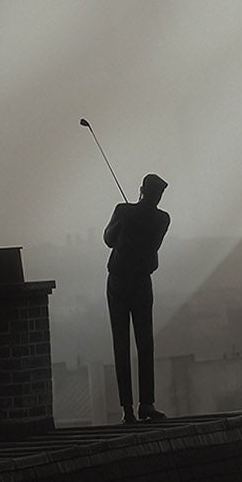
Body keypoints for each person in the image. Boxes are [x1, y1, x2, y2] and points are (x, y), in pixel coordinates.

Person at [104, 173, 170, 424]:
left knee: (123, 343)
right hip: (139, 281)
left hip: (121, 280)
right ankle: (145, 405)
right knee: (143, 342)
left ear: (141, 190)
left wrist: (124, 222)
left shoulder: (124, 211)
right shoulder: (161, 218)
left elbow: (109, 239)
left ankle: (129, 409)